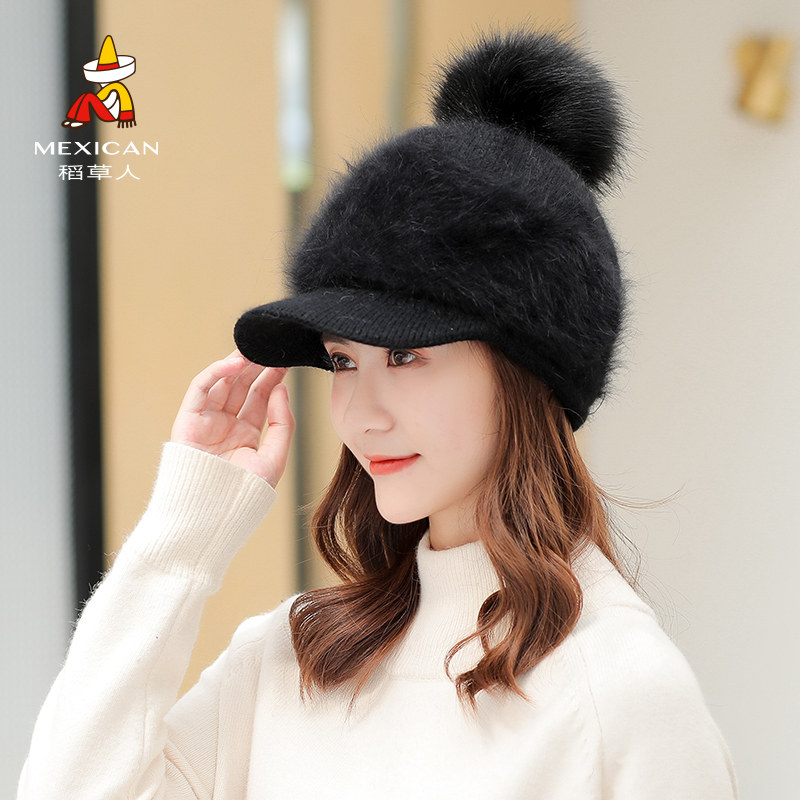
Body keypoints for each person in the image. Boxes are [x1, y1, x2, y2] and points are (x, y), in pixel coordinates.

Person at [18, 29, 738, 799]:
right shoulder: (294, 657)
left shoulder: (620, 693)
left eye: (403, 355)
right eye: (341, 361)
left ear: (526, 369)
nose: (360, 415)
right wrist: (182, 533)